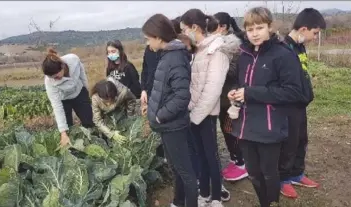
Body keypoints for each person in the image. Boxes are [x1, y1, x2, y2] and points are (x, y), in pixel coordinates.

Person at [228, 7, 307, 207]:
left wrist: (250, 93)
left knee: (269, 173)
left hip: (270, 126)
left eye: (259, 28)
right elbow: (242, 83)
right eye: (250, 29)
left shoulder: (283, 55)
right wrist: (236, 91)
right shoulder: (243, 54)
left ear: (270, 27)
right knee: (254, 173)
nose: (254, 33)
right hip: (245, 126)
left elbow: (293, 92)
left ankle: (271, 203)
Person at [181, 9, 240, 207]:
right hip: (195, 112)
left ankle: (215, 197)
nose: (183, 34)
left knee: (211, 156)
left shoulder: (217, 50)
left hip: (206, 113)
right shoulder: (199, 49)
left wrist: (196, 115)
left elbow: (212, 89)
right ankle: (204, 193)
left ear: (194, 28)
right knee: (200, 155)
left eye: (184, 29)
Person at [142, 13, 197, 207]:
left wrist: (160, 114)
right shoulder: (167, 55)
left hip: (172, 125)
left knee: (186, 173)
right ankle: (178, 202)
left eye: (148, 39)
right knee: (176, 168)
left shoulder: (175, 58)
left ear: (158, 37)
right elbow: (166, 90)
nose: (148, 43)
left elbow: (182, 96)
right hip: (167, 126)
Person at [279, 8, 326, 199]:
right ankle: (283, 179)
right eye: (315, 33)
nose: (315, 38)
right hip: (288, 106)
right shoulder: (282, 49)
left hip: (300, 105)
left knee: (301, 140)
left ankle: (297, 173)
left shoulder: (300, 46)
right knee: (288, 143)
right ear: (304, 28)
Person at [213, 12, 249, 182]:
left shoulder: (234, 45)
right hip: (220, 97)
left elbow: (236, 72)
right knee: (226, 129)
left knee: (230, 130)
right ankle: (237, 160)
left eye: (216, 25)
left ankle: (241, 163)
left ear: (224, 27)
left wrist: (220, 65)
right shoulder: (217, 43)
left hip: (230, 96)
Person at [43, 48, 94, 146]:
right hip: (63, 100)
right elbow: (56, 106)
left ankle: (93, 142)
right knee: (68, 128)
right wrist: (63, 132)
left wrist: (86, 91)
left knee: (89, 122)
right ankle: (71, 148)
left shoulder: (73, 60)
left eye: (56, 77)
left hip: (79, 93)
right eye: (52, 78)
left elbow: (82, 74)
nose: (55, 80)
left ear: (62, 66)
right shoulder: (49, 81)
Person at [91, 77, 137, 144]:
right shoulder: (95, 98)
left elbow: (131, 100)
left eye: (112, 100)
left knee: (126, 134)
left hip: (120, 112)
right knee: (108, 138)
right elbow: (97, 120)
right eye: (106, 101)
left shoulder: (123, 92)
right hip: (105, 116)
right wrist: (111, 134)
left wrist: (129, 116)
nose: (109, 103)